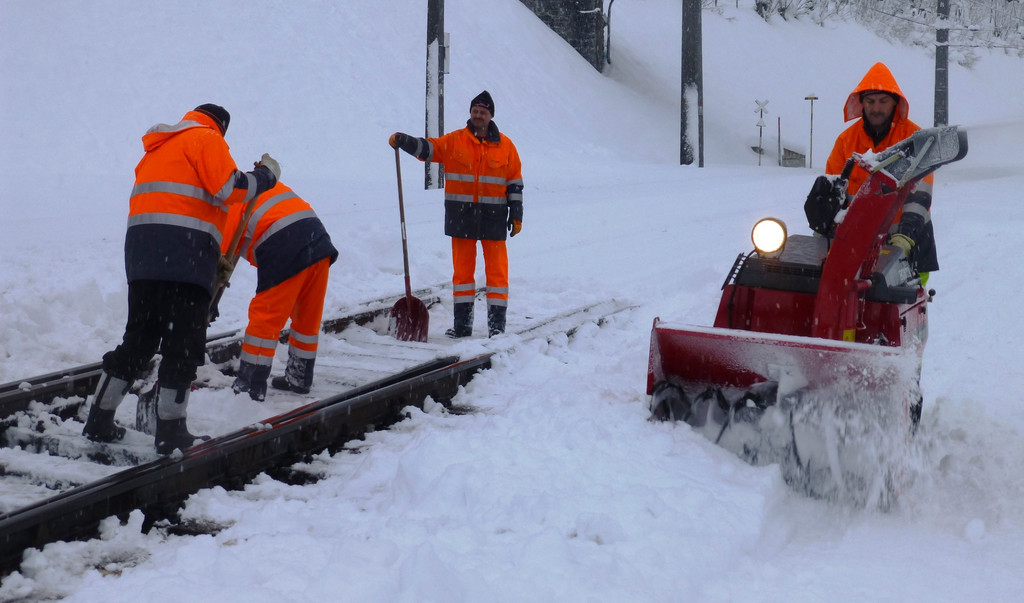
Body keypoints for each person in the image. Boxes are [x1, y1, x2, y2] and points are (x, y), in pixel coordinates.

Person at [81, 103, 281, 454]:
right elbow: (229, 188)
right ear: (221, 127)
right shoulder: (206, 138)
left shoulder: (158, 148)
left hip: (143, 258)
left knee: (139, 339)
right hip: (186, 256)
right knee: (183, 344)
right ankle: (171, 430)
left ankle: (99, 418)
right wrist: (264, 177)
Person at [389, 90, 524, 338]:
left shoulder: (506, 146)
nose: (478, 116)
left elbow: (514, 182)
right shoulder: (455, 141)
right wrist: (405, 141)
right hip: (461, 218)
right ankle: (462, 327)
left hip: (493, 219)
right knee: (462, 274)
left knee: (497, 273)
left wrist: (516, 214)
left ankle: (497, 327)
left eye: (482, 112)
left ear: (491, 115)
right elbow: (428, 149)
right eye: (475, 111)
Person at [807, 62, 937, 275]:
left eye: (883, 101)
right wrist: (823, 229)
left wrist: (903, 240)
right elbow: (832, 194)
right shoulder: (846, 141)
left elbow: (920, 197)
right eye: (871, 101)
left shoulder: (915, 140)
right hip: (854, 244)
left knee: (903, 306)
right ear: (862, 103)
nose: (877, 108)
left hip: (909, 244)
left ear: (895, 103)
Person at [223, 181, 339, 401]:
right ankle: (299, 377)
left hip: (285, 245)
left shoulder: (230, 203)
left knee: (265, 317)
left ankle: (250, 386)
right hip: (319, 241)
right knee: (307, 315)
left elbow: (221, 256)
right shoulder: (259, 183)